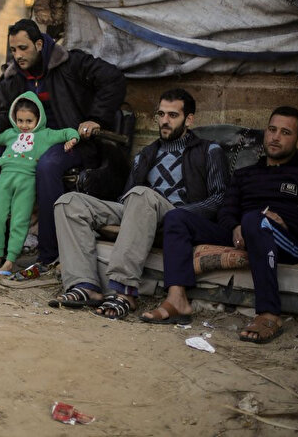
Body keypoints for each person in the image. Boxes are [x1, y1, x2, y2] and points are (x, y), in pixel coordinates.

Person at [142, 107, 298, 343]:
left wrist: (285, 225)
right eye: (272, 130)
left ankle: (269, 313)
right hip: (243, 233)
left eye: (285, 132)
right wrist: (234, 227)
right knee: (176, 217)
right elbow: (226, 212)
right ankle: (177, 299)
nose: (275, 137)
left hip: (287, 241)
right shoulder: (245, 174)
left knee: (255, 220)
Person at [50, 88, 228, 319]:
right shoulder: (145, 154)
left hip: (176, 215)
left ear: (189, 119)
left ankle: (124, 291)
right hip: (139, 209)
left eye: (172, 116)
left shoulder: (209, 151)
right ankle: (85, 285)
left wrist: (180, 216)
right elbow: (128, 197)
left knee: (142, 195)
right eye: (161, 114)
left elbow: (218, 198)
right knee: (68, 202)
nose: (164, 121)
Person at [0, 18, 126, 272]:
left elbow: (114, 80)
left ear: (40, 44)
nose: (17, 55)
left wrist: (95, 118)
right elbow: (7, 115)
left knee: (48, 166)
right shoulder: (15, 76)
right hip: (25, 141)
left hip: (68, 141)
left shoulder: (71, 63)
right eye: (13, 50)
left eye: (23, 48)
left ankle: (48, 253)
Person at [0, 92, 79, 275]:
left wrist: (73, 139)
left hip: (26, 184)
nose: (24, 126)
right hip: (5, 181)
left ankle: (10, 261)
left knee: (19, 221)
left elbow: (68, 131)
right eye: (20, 120)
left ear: (38, 119)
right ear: (14, 118)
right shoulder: (10, 133)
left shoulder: (46, 135)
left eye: (29, 121)